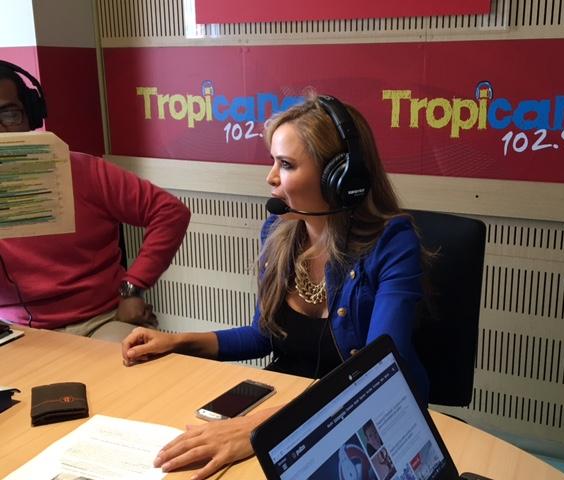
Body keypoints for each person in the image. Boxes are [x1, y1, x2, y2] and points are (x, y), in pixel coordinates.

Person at [121, 94, 430, 479]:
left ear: (341, 179)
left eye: (285, 164)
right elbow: (263, 335)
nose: (270, 177)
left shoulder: (393, 243)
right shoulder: (279, 233)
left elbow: (376, 377)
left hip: (364, 419)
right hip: (289, 406)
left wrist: (260, 428)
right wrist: (177, 341)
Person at [0, 60, 191, 341]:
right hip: (16, 329)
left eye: (9, 114)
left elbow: (170, 212)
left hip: (101, 319)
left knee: (133, 364)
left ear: (31, 114)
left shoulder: (83, 171)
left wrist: (133, 288)